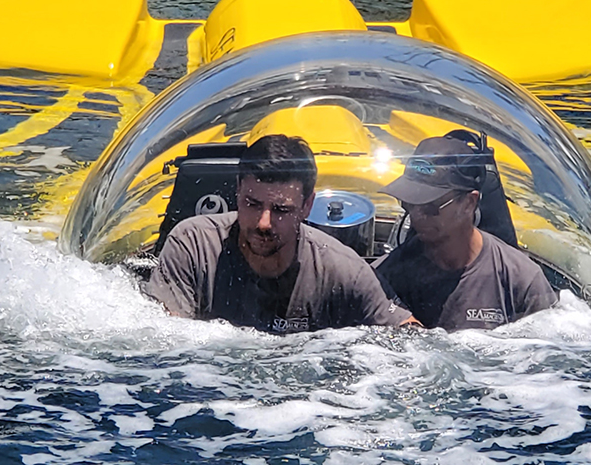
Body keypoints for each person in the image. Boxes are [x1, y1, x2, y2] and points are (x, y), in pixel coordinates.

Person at [145, 134, 413, 333]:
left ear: (307, 206)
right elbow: (166, 341)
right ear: (238, 190)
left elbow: (410, 336)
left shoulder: (343, 271)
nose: (264, 222)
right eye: (252, 204)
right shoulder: (193, 245)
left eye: (281, 210)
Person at [375, 135, 557, 330]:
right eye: (409, 203)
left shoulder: (522, 281)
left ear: (469, 203)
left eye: (430, 206)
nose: (416, 215)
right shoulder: (383, 278)